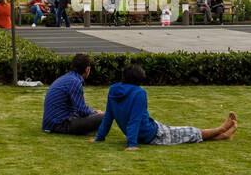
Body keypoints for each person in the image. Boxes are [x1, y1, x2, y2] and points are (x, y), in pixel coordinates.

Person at [94, 63, 238, 149]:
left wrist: (99, 137)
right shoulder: (139, 93)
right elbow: (134, 120)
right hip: (153, 134)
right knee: (189, 132)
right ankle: (222, 129)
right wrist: (132, 144)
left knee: (186, 136)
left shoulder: (113, 90)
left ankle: (223, 136)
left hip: (149, 130)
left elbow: (109, 117)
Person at [42, 53, 104, 135]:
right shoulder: (75, 82)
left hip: (51, 123)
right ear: (87, 69)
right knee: (103, 117)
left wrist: (93, 110)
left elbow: (77, 107)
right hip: (59, 124)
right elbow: (82, 110)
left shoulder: (68, 78)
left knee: (95, 115)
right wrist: (97, 113)